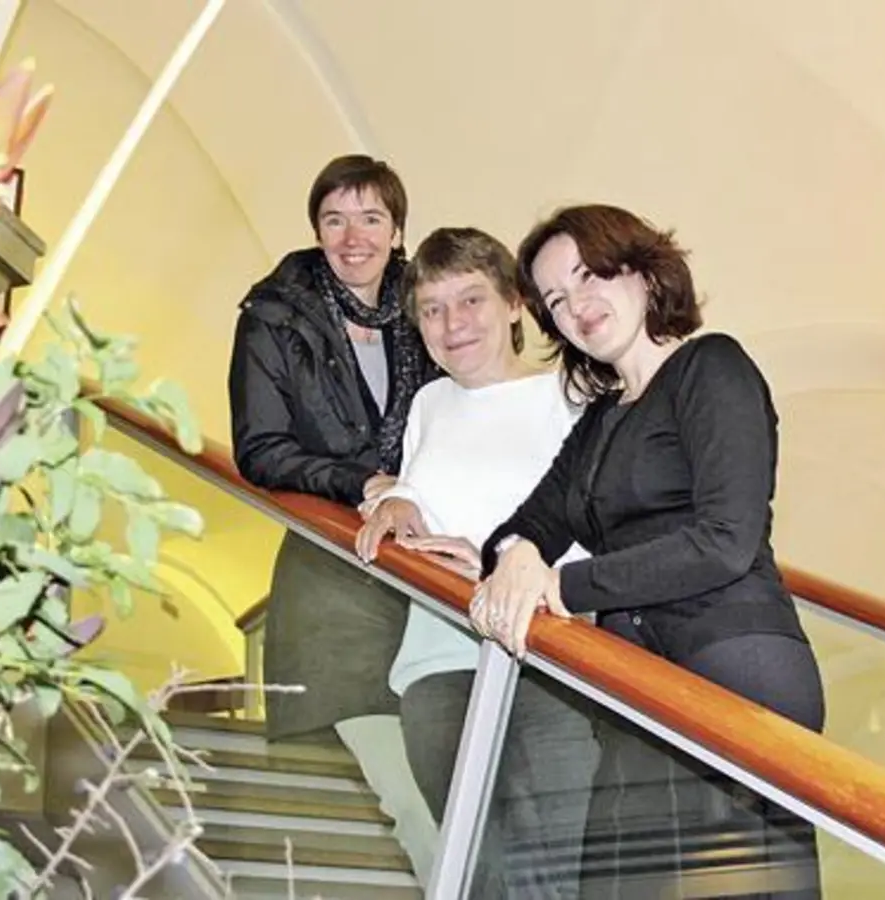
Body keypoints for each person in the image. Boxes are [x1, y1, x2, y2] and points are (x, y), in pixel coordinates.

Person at [473, 204, 827, 898]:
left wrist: (563, 587)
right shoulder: (602, 420)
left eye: (589, 275)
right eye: (555, 299)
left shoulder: (712, 368)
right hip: (635, 680)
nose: (577, 305)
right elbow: (522, 527)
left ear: (640, 270)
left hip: (732, 663)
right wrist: (517, 554)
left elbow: (726, 542)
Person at [354, 227, 599, 898]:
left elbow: (595, 532)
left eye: (470, 300)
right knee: (475, 870)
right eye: (431, 309)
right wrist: (397, 501)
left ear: (515, 304)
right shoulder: (429, 404)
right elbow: (417, 489)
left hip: (548, 662)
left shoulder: (572, 397)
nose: (451, 324)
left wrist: (497, 561)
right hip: (439, 668)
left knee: (548, 874)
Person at [227, 154, 441, 881]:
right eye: (335, 219)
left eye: (372, 218)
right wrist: (365, 482)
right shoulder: (273, 315)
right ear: (316, 230)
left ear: (398, 230)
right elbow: (259, 450)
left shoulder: (431, 312)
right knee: (407, 801)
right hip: (334, 579)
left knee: (456, 792)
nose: (354, 237)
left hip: (427, 577)